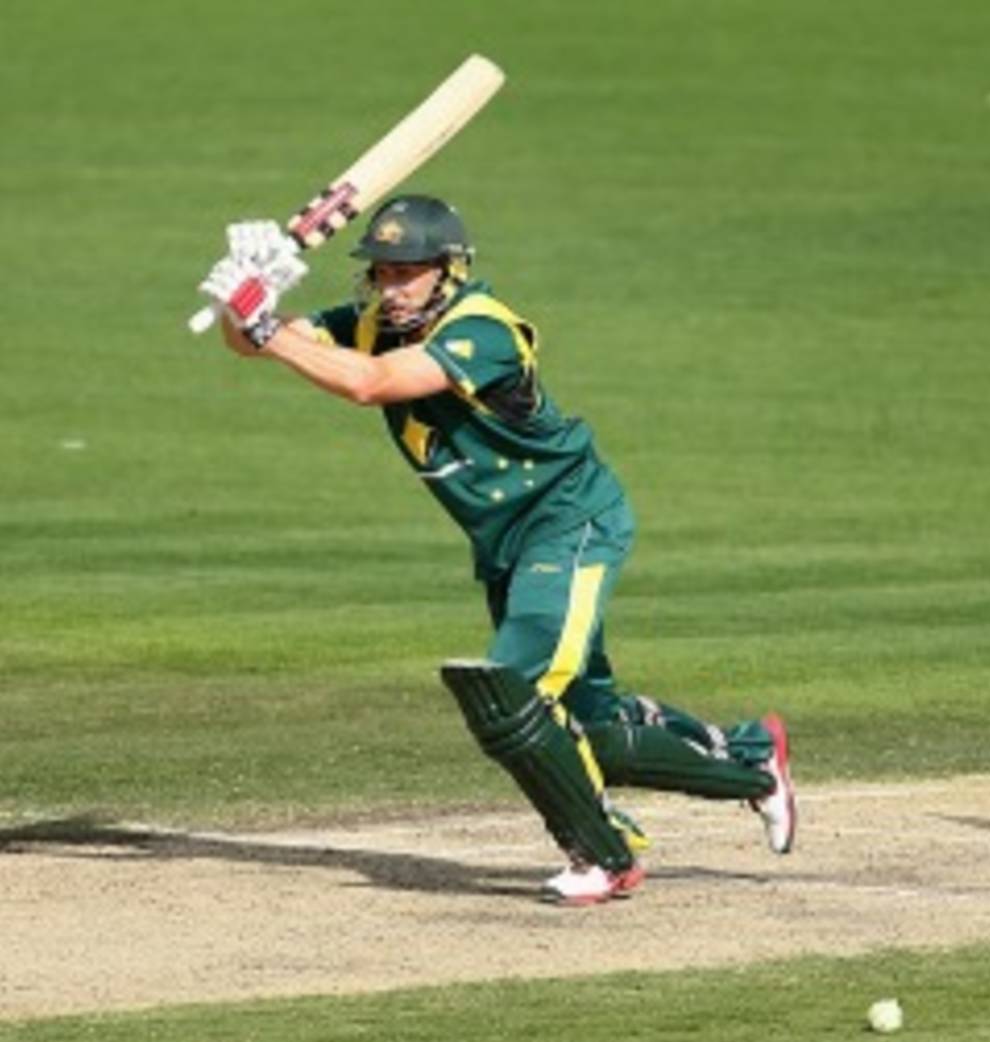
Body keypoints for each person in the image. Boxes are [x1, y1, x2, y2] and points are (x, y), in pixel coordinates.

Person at [198, 195, 796, 905]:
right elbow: (257, 346)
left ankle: (605, 854)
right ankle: (755, 760)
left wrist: (262, 319)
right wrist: (250, 300)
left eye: (407, 273)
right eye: (382, 273)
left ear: (448, 271)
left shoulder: (484, 328)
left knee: (508, 692)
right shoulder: (369, 323)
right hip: (506, 543)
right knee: (589, 730)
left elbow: (371, 384)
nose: (391, 289)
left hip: (569, 522)